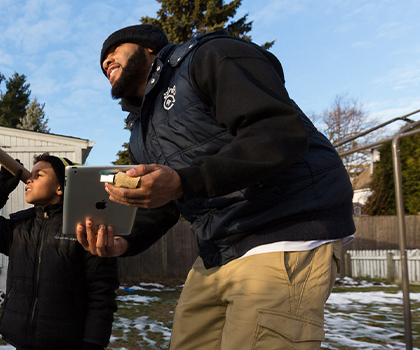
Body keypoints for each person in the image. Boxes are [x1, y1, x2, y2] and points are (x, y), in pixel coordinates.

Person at [77, 24, 355, 349]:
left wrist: (183, 181)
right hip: (217, 252)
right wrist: (124, 242)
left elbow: (278, 132)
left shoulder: (208, 55)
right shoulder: (140, 134)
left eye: (114, 51)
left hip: (284, 230)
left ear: (149, 48)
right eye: (102, 64)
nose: (106, 62)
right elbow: (168, 204)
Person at [0, 153, 119, 350]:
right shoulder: (19, 227)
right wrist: (0, 190)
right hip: (21, 340)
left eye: (39, 175)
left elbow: (102, 292)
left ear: (61, 187)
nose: (29, 179)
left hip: (67, 343)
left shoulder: (84, 229)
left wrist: (93, 343)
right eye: (30, 175)